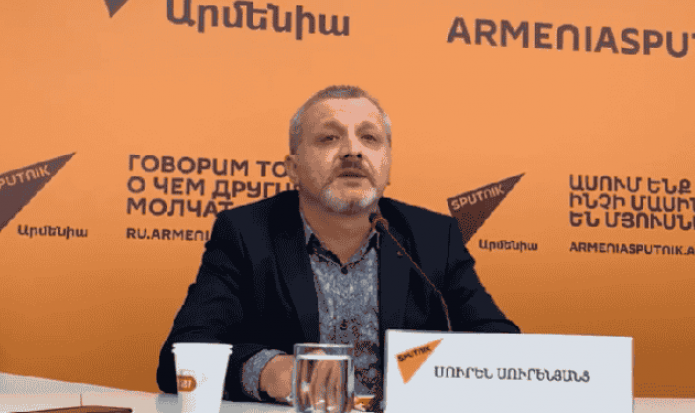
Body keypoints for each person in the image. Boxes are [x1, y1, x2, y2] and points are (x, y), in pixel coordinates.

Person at [157, 85, 519, 406]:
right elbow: (179, 361)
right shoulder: (246, 233)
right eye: (329, 138)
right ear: (293, 168)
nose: (352, 151)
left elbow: (505, 349)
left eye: (369, 138)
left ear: (387, 164)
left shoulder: (434, 237)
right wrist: (271, 371)